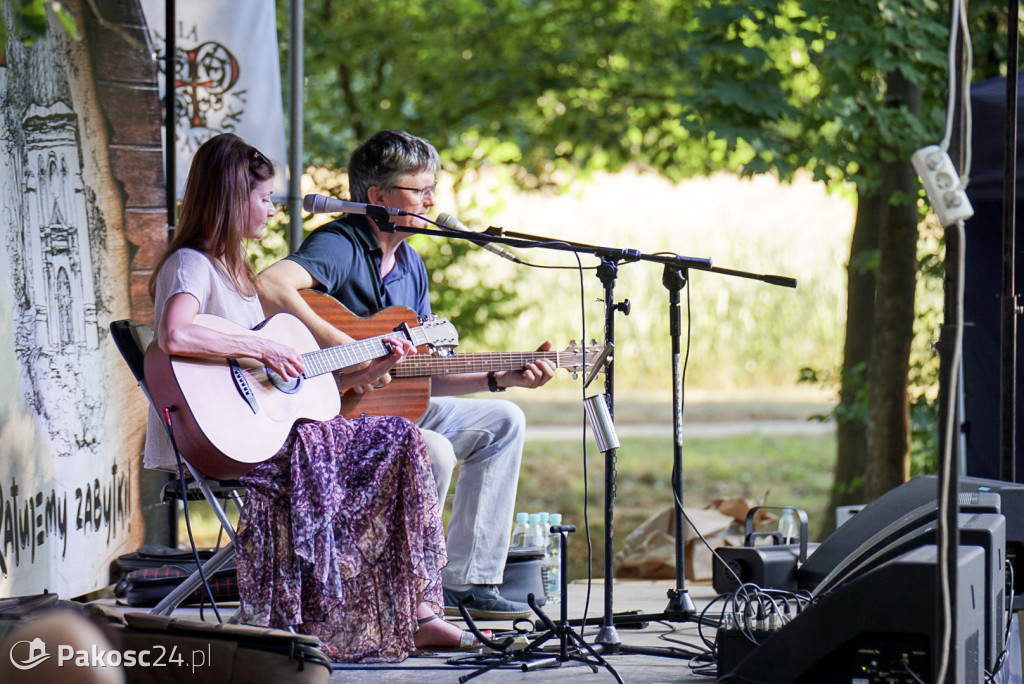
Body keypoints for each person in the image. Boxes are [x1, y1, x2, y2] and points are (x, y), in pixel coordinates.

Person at [143, 133, 484, 662]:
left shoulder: (238, 274)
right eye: (262, 199)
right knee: (399, 439)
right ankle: (382, 610)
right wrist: (260, 343)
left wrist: (373, 369)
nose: (271, 210)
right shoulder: (190, 263)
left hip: (270, 430)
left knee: (400, 437)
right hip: (228, 441)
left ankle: (412, 609)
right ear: (231, 199)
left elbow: (285, 388)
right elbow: (176, 335)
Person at [258, 129, 556, 620]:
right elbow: (271, 284)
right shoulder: (339, 243)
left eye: (433, 188)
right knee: (431, 447)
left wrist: (501, 378)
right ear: (377, 196)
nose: (432, 200)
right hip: (325, 415)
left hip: (388, 409)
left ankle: (468, 583)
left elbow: (422, 375)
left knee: (505, 418)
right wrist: (345, 348)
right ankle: (401, 597)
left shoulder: (412, 264)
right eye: (419, 190)